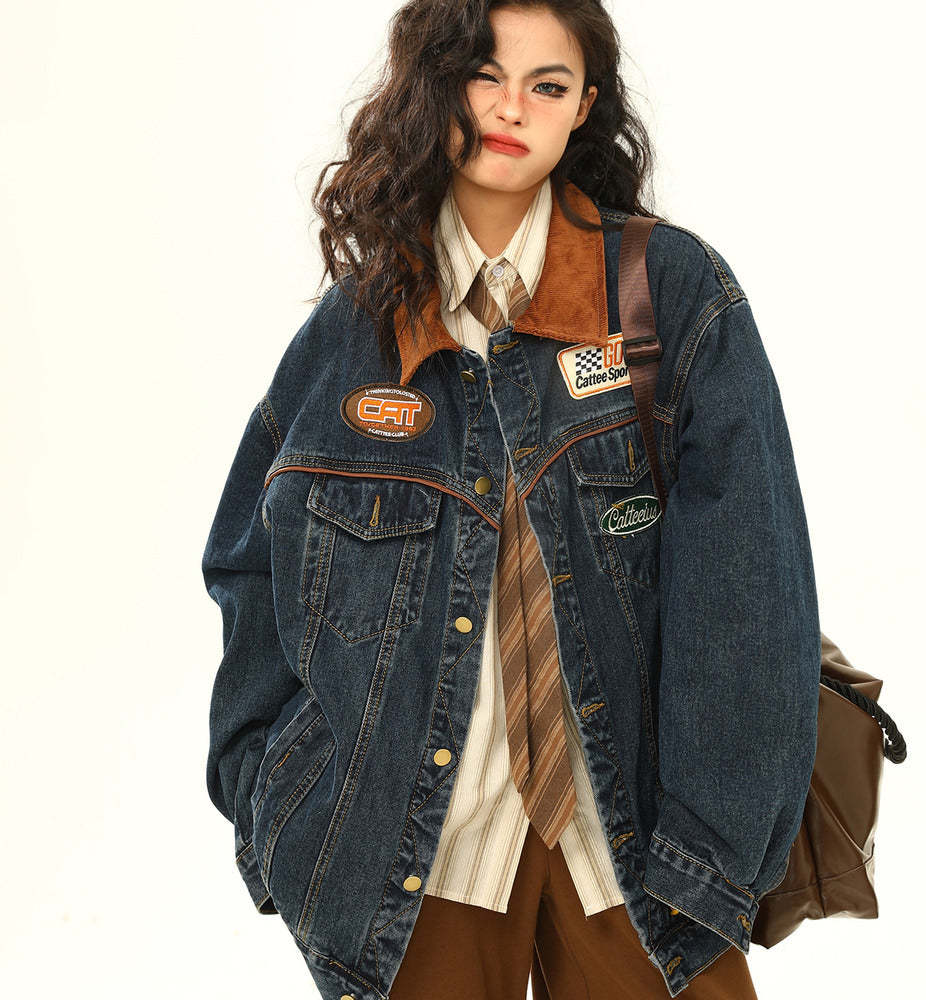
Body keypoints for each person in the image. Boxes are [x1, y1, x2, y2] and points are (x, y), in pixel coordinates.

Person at [201, 2, 821, 999]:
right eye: (484, 74)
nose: (511, 107)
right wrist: (275, 801)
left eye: (547, 84)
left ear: (584, 107)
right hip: (413, 848)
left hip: (640, 841)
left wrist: (714, 846)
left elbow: (751, 594)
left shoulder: (668, 293)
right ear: (434, 85)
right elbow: (250, 564)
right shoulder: (354, 331)